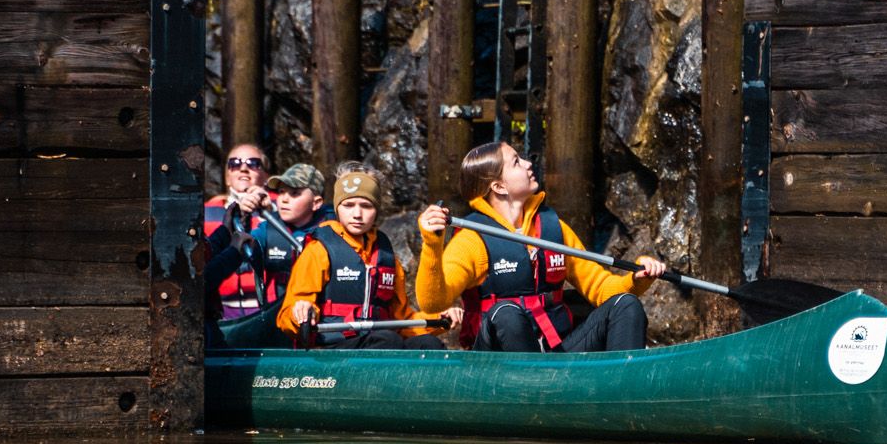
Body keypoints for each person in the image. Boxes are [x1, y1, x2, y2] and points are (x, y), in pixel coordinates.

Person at [416, 141, 667, 352]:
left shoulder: (551, 228)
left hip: (554, 351)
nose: (528, 164)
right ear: (499, 186)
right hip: (495, 363)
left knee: (625, 304)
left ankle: (621, 398)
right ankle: (526, 396)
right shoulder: (472, 240)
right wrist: (432, 244)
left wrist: (637, 279)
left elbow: (601, 288)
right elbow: (433, 303)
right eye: (516, 162)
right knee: (506, 312)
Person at [279, 169, 462, 349]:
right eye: (348, 205)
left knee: (428, 344)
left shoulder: (386, 256)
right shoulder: (318, 250)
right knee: (387, 340)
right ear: (337, 208)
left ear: (376, 210)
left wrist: (438, 320)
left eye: (366, 206)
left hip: (380, 341)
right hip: (333, 347)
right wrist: (300, 312)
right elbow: (286, 316)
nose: (357, 214)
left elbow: (402, 320)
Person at [248, 163, 331, 310]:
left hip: (321, 318)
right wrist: (243, 215)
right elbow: (241, 246)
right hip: (276, 316)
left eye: (294, 193)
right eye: (281, 192)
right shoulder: (267, 229)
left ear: (316, 203)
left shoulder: (334, 230)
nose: (284, 199)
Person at [205, 142, 272, 321]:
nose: (243, 168)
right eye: (235, 164)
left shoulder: (279, 211)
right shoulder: (206, 212)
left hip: (265, 309)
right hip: (221, 308)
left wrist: (268, 210)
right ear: (227, 177)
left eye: (253, 163)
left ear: (265, 175)